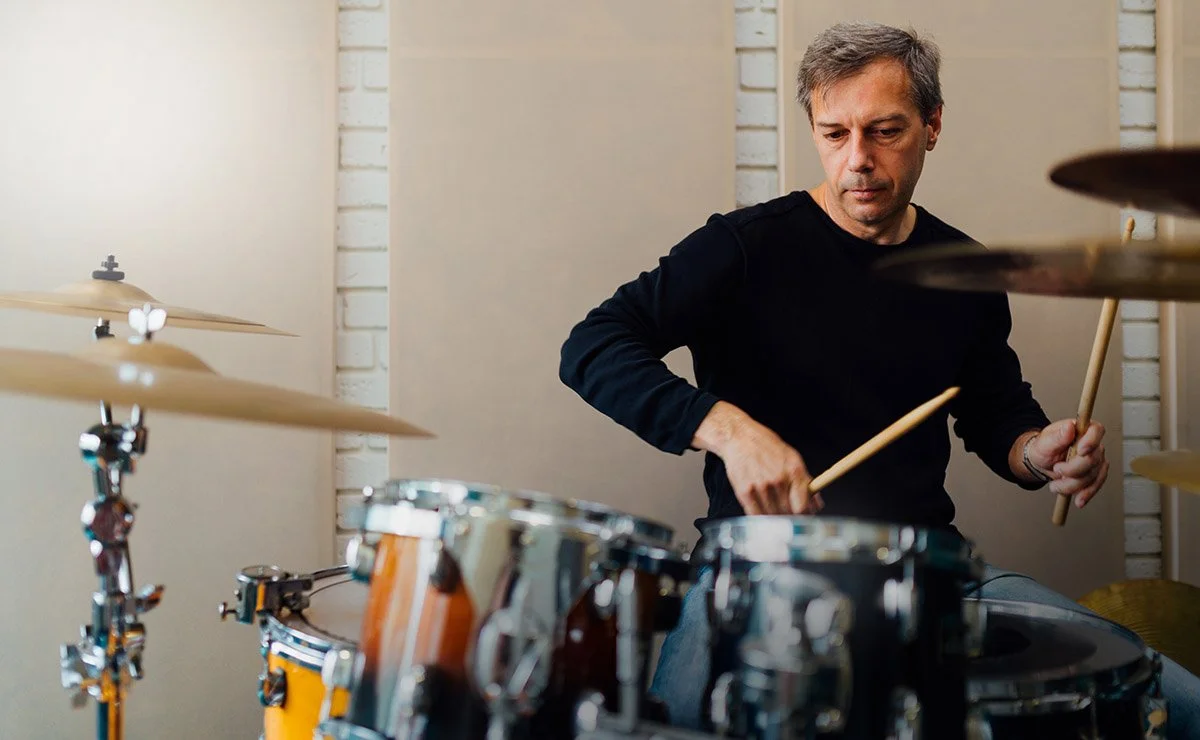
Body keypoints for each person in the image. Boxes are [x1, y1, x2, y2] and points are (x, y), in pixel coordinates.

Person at [558, 20, 1200, 738]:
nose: (857, 159)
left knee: (1170, 700)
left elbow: (994, 410)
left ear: (932, 127)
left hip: (925, 570)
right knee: (681, 727)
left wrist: (1036, 450)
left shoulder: (966, 271)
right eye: (834, 134)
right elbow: (594, 345)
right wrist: (731, 433)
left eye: (884, 131)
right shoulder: (742, 248)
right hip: (757, 568)